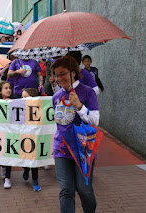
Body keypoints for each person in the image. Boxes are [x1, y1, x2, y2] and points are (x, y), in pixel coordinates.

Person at [51, 56, 99, 213]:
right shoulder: (56, 97)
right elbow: (59, 125)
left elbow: (95, 121)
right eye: (57, 75)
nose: (59, 78)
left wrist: (79, 106)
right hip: (62, 150)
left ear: (73, 72)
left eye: (63, 73)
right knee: (66, 190)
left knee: (84, 190)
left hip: (83, 149)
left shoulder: (88, 92)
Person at [0, 81, 14, 189]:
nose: (8, 90)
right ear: (0, 91)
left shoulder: (14, 102)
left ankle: (7, 178)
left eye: (9, 88)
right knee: (2, 153)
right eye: (5, 88)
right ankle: (3, 166)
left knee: (8, 154)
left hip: (10, 133)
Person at [21, 88, 41, 191]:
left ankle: (35, 180)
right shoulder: (19, 109)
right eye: (22, 97)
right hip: (24, 137)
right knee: (25, 156)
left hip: (34, 137)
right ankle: (25, 169)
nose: (23, 99)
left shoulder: (38, 109)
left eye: (26, 97)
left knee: (34, 159)